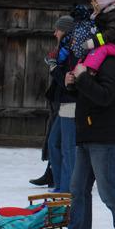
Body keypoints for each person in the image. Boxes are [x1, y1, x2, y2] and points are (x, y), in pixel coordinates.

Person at [48, 56, 115, 229]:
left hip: (106, 139)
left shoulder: (111, 64)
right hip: (88, 136)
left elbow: (105, 96)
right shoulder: (91, 62)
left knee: (108, 191)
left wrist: (83, 77)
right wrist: (72, 86)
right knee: (77, 189)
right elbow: (88, 98)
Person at [45, 14, 79, 193]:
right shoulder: (65, 49)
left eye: (58, 29)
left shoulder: (73, 50)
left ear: (65, 30)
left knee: (68, 148)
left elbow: (68, 81)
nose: (55, 32)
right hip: (65, 105)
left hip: (71, 105)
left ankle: (68, 189)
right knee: (54, 143)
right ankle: (59, 184)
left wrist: (53, 68)